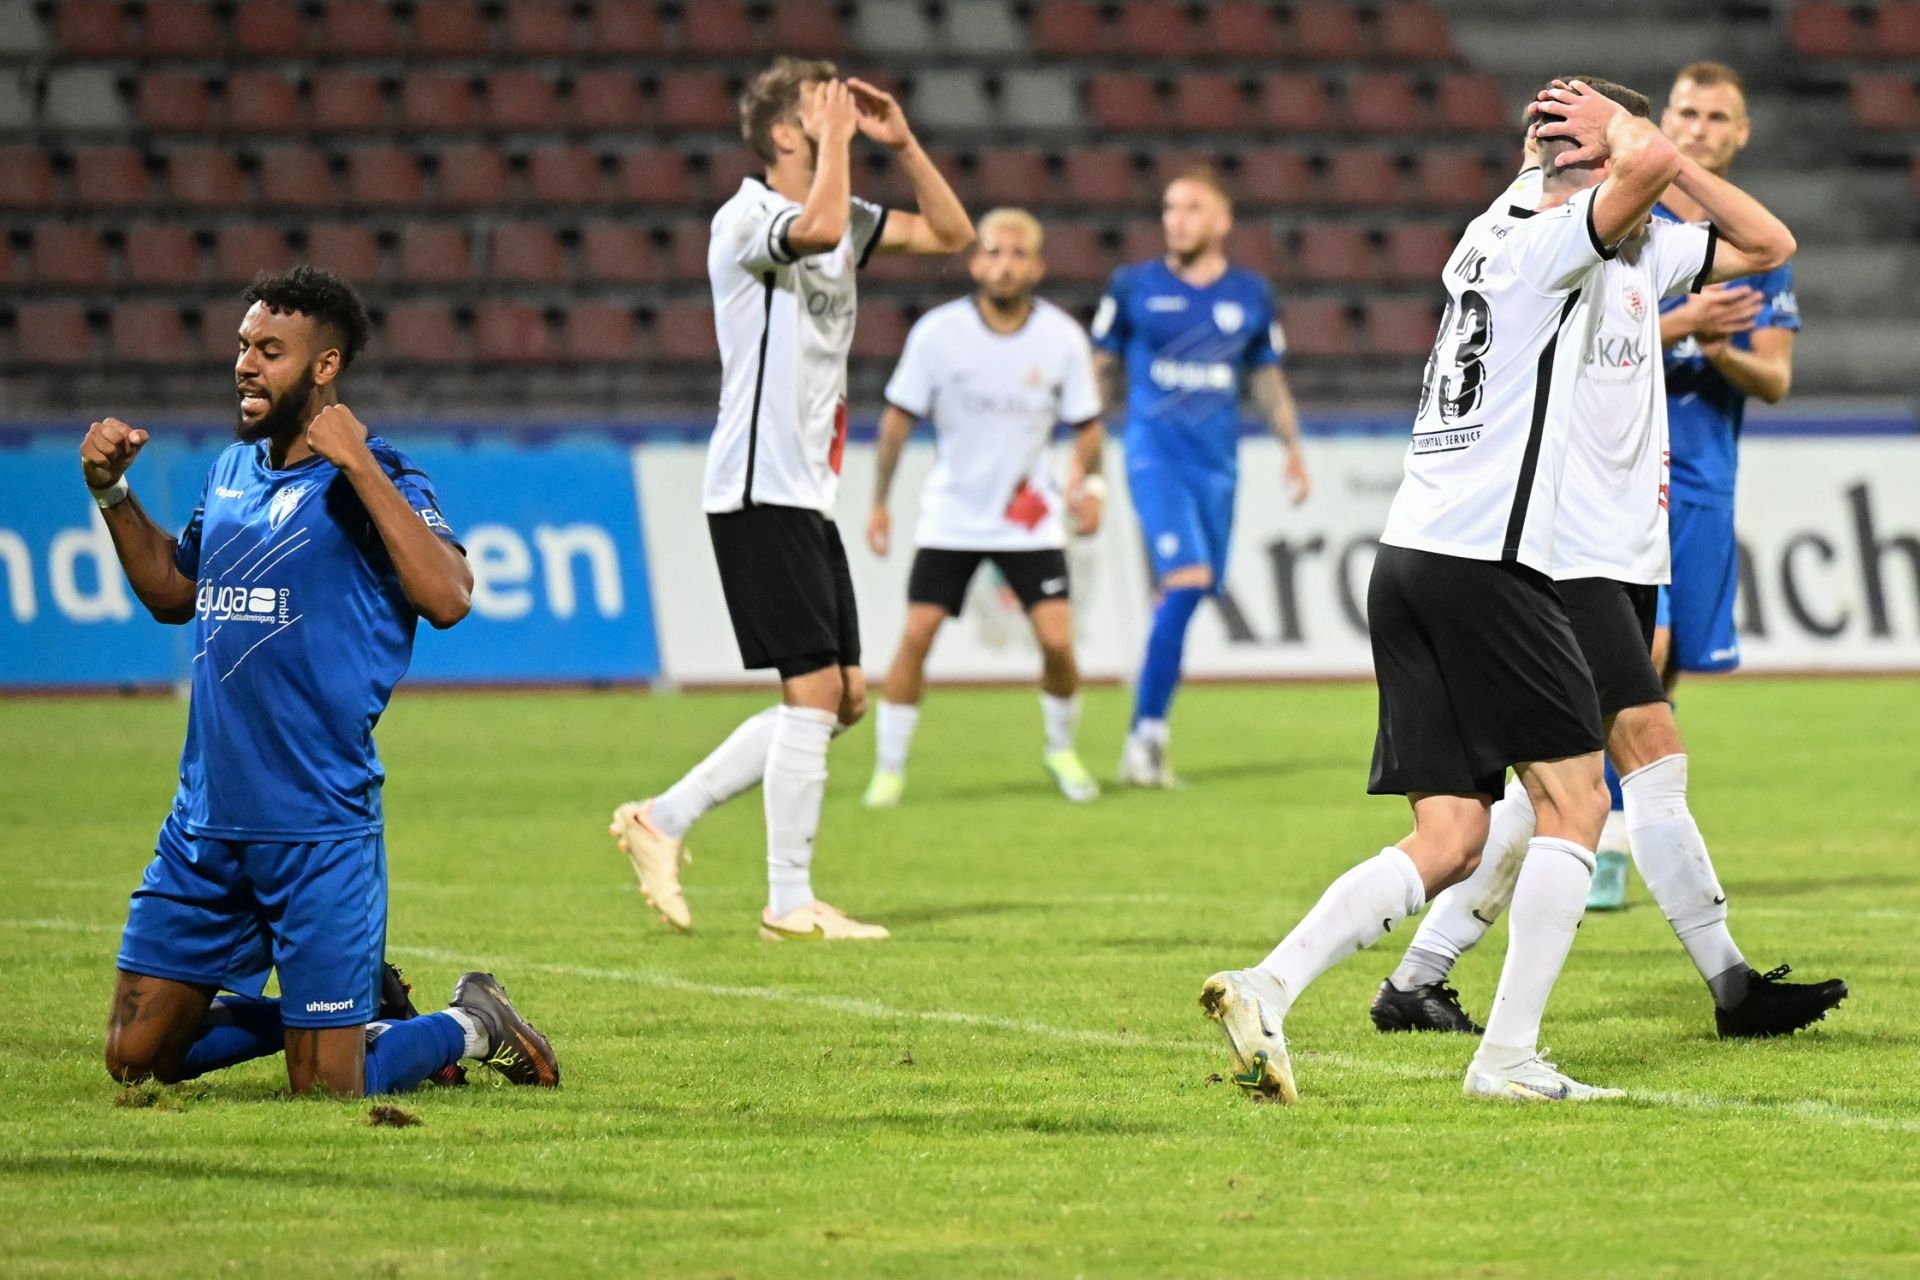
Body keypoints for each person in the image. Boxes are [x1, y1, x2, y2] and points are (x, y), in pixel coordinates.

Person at [1200, 78, 1684, 1105]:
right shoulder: (1553, 242)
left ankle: (1269, 983)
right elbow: (1652, 163)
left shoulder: (1484, 231)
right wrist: (1618, 127)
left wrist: (1568, 142)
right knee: (1577, 800)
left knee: (1454, 835)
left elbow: (1600, 179)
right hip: (1488, 560)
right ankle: (1507, 1057)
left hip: (1409, 557)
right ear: (1587, 163)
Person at [1371, 85, 1845, 1043]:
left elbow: (1770, 244)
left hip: (1629, 548)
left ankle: (1418, 976)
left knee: (1551, 789)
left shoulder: (1646, 251)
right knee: (1646, 759)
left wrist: (1669, 164)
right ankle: (1731, 987)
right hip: (1564, 554)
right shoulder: (1557, 249)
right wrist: (1630, 159)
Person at [91, 267, 558, 1096]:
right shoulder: (230, 473)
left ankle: (474, 1022)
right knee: (136, 1058)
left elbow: (450, 597)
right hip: (205, 824)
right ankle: (347, 1018)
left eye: (270, 351)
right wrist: (112, 492)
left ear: (325, 366)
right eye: (244, 345)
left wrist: (361, 467)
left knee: (327, 1089)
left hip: (317, 830)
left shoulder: (379, 477)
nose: (245, 364)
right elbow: (172, 590)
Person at [609, 57, 972, 939]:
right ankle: (787, 902)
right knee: (812, 691)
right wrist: (841, 143)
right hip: (756, 486)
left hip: (806, 491)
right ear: (782, 132)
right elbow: (816, 228)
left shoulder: (841, 211)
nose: (840, 110)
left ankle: (663, 817)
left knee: (842, 698)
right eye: (822, 103)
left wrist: (902, 142)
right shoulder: (748, 216)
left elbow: (952, 232)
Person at [1583, 63, 1801, 909]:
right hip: (1626, 474)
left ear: (1740, 134)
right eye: (1686, 112)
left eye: (1716, 117)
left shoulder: (1751, 245)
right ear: (1662, 120)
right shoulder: (1624, 217)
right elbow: (1580, 335)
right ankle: (1589, 828)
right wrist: (1683, 319)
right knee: (1645, 650)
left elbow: (1774, 378)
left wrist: (1717, 350)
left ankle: (1609, 819)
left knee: (1663, 674)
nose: (1699, 127)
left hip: (1706, 482)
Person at [861, 209, 1107, 807]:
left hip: (1028, 518)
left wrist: (1093, 488)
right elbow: (896, 422)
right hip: (953, 515)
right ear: (974, 263)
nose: (1004, 265)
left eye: (1018, 254)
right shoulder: (938, 334)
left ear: (1038, 267)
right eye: (993, 252)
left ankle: (1061, 750)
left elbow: (1088, 427)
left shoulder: (1061, 338)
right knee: (917, 635)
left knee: (1057, 641)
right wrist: (879, 503)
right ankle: (889, 770)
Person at [1091, 166, 1309, 788]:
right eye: (1169, 208)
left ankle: (1149, 717)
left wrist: (1292, 448)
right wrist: (1082, 456)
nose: (1176, 220)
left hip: (1218, 469)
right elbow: (1099, 369)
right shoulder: (1133, 286)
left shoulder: (1250, 294)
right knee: (1187, 583)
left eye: (1191, 208)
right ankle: (1145, 739)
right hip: (1153, 457)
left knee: (1194, 591)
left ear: (1221, 220)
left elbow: (1266, 378)